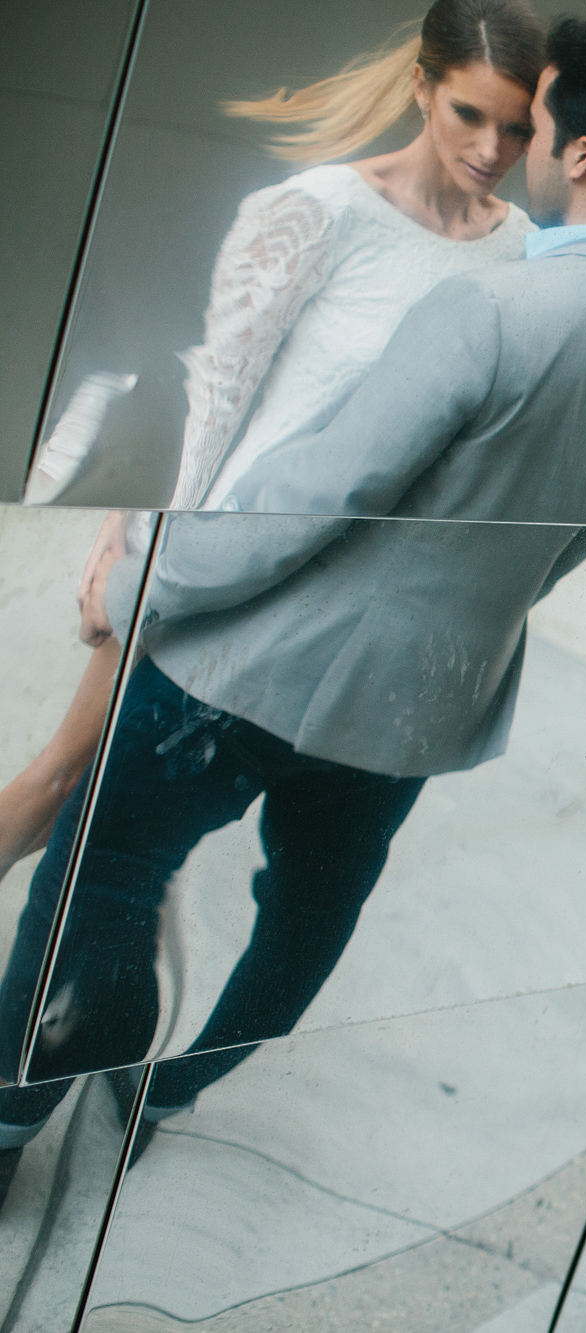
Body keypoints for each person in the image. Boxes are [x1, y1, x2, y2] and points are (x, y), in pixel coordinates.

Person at [0, 18, 586, 1202]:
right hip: (425, 709)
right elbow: (584, 532)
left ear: (577, 152)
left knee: (101, 865)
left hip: (261, 666)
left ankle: (14, 1114)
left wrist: (141, 585)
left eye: (530, 126)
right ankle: (168, 1091)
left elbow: (314, 495)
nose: (512, 147)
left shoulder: (493, 309)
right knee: (310, 914)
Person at [0, 0, 546, 882]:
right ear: (422, 87)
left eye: (516, 128)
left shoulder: (521, 253)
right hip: (211, 559)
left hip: (328, 609)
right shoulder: (319, 211)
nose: (491, 149)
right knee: (61, 781)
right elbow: (216, 391)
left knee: (115, 824)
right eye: (469, 115)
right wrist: (142, 538)